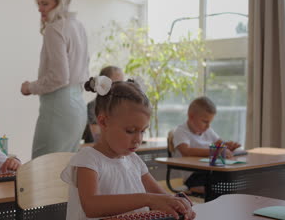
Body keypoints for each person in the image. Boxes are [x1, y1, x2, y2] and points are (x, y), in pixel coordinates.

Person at [61, 77, 195, 220]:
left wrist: (178, 204)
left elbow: (161, 196)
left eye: (143, 131)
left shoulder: (133, 160)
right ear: (104, 121)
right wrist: (148, 199)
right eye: (131, 130)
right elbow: (91, 206)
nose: (138, 139)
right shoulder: (88, 159)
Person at [20, 0, 89, 159]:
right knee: (65, 169)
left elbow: (59, 77)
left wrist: (30, 87)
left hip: (58, 106)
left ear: (58, 3)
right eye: (38, 3)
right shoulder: (78, 26)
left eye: (45, 3)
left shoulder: (55, 29)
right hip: (78, 106)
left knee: (42, 168)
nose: (40, 8)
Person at [172, 96, 241, 194]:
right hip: (193, 175)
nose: (208, 126)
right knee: (220, 183)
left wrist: (228, 146)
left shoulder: (207, 130)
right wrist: (216, 151)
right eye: (205, 121)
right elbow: (186, 151)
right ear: (191, 117)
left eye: (210, 122)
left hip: (210, 170)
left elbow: (220, 143)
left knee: (230, 175)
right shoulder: (181, 131)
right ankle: (199, 190)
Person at [82, 66, 124, 143]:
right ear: (102, 83)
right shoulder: (93, 106)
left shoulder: (122, 106)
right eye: (117, 82)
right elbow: (97, 136)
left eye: (122, 82)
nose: (121, 86)